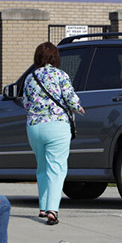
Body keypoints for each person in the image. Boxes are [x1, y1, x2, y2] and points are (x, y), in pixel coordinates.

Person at [23, 42, 84, 225]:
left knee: (42, 167)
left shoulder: (30, 77)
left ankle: (42, 206)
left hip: (34, 126)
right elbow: (70, 98)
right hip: (57, 125)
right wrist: (79, 108)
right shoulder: (60, 75)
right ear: (55, 58)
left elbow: (26, 103)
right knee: (56, 168)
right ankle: (52, 210)